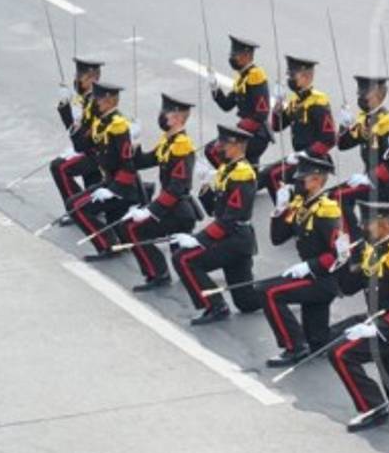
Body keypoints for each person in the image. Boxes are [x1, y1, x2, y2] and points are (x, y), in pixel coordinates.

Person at [331, 201, 389, 432]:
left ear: (385, 226)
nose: (363, 227)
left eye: (368, 223)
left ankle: (372, 408)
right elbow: (349, 287)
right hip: (379, 325)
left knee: (340, 354)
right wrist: (342, 259)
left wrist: (377, 328)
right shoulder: (373, 250)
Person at [259, 155, 349, 367]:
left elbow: (341, 254)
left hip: (323, 280)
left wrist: (309, 266)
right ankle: (319, 340)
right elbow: (278, 238)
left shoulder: (327, 210)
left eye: (303, 178)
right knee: (318, 342)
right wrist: (280, 209)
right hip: (311, 275)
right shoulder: (301, 205)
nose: (297, 182)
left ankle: (294, 347)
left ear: (317, 180)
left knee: (268, 292)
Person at [171, 125, 263, 325]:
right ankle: (277, 294)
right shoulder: (228, 170)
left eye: (224, 144)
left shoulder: (242, 174)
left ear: (237, 146)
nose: (220, 147)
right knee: (246, 301)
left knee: (184, 258)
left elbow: (231, 218)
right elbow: (215, 211)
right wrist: (206, 187)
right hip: (233, 237)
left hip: (235, 239)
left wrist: (198, 240)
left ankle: (215, 305)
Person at [121, 94, 199, 292]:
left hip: (178, 211)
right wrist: (134, 141)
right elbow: (141, 162)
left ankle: (158, 274)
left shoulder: (181, 147)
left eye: (166, 113)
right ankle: (166, 271)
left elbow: (176, 189)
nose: (162, 116)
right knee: (183, 258)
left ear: (178, 118)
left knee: (133, 228)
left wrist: (150, 211)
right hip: (171, 207)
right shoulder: (169, 142)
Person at [68, 81, 142, 261]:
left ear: (109, 101)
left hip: (122, 187)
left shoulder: (118, 126)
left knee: (76, 206)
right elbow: (81, 146)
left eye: (99, 99)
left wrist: (113, 190)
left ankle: (107, 245)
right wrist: (76, 125)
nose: (96, 102)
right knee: (115, 223)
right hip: (109, 181)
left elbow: (128, 165)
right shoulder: (102, 122)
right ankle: (114, 244)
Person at [334, 75, 389, 239]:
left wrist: (369, 177)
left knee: (339, 196)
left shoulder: (388, 124)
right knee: (334, 195)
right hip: (372, 179)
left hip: (387, 183)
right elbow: (343, 144)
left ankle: (354, 242)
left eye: (365, 93)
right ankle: (355, 236)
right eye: (360, 92)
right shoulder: (366, 120)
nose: (360, 96)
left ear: (379, 95)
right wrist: (344, 126)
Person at [261, 55, 335, 201]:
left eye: (293, 75)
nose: (290, 79)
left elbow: (329, 139)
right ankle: (284, 207)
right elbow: (277, 126)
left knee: (274, 176)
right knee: (266, 174)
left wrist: (305, 154)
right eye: (289, 75)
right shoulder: (296, 100)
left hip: (314, 160)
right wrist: (277, 107)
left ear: (307, 77)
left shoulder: (318, 103)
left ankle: (286, 209)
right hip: (300, 157)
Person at [206, 35, 271, 167]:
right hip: (247, 133)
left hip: (256, 135)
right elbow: (226, 105)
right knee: (249, 171)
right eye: (231, 54)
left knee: (215, 151)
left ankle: (227, 176)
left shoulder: (255, 76)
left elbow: (262, 113)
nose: (232, 58)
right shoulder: (242, 78)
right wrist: (214, 86)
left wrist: (239, 129)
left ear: (247, 56)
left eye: (235, 55)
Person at [51, 57, 104, 207]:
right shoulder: (84, 99)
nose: (76, 80)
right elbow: (73, 130)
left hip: (98, 154)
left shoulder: (96, 102)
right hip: (88, 149)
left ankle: (76, 207)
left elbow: (82, 140)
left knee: (59, 167)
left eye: (80, 77)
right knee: (91, 182)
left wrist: (73, 117)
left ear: (93, 78)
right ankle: (88, 206)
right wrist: (65, 105)